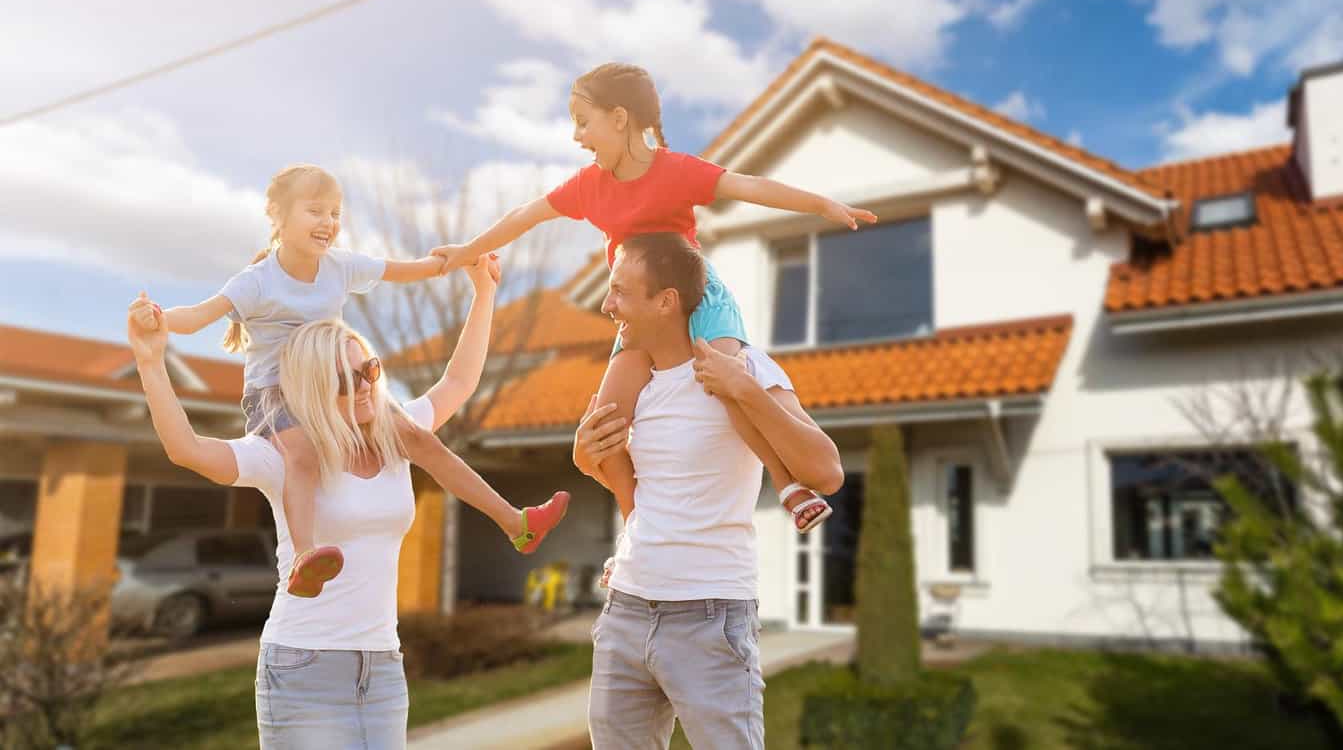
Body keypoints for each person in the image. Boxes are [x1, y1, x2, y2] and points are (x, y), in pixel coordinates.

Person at [129, 254, 567, 748]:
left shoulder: (397, 440)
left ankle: (517, 523)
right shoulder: (285, 455)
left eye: (369, 371)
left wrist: (484, 293)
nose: (363, 387)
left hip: (381, 665)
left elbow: (459, 383)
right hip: (304, 663)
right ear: (314, 387)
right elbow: (187, 451)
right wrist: (151, 362)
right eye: (343, 380)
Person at [432, 62, 872, 534]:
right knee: (607, 422)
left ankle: (787, 486)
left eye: (584, 121)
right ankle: (634, 531)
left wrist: (822, 204)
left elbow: (750, 186)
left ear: (619, 118)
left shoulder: (676, 171)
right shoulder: (589, 186)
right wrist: (467, 252)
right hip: (640, 316)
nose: (577, 136)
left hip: (700, 299)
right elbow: (527, 214)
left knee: (726, 385)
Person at [140, 164, 566, 597]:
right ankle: (305, 557)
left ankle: (515, 521)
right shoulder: (256, 282)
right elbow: (197, 316)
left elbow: (409, 272)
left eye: (335, 213)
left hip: (327, 386)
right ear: (277, 214)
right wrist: (158, 319)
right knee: (302, 456)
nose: (328, 223)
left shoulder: (339, 267)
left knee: (422, 439)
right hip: (277, 395)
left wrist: (460, 259)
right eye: (315, 211)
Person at [572, 233, 844, 749]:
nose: (608, 306)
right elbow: (611, 471)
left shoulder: (748, 367)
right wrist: (584, 454)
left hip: (711, 615)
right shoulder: (641, 385)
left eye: (621, 292)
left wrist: (742, 387)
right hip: (627, 609)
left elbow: (826, 471)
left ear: (666, 301)